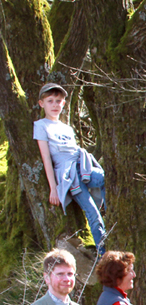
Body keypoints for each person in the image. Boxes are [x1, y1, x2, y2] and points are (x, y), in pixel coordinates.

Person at [33, 82, 106, 254]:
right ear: (41, 103)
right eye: (50, 101)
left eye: (58, 101)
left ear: (64, 103)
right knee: (93, 215)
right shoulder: (41, 125)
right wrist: (54, 188)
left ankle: (109, 211)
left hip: (82, 166)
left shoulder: (67, 128)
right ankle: (103, 253)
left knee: (105, 177)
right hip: (69, 175)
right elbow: (46, 158)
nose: (55, 105)